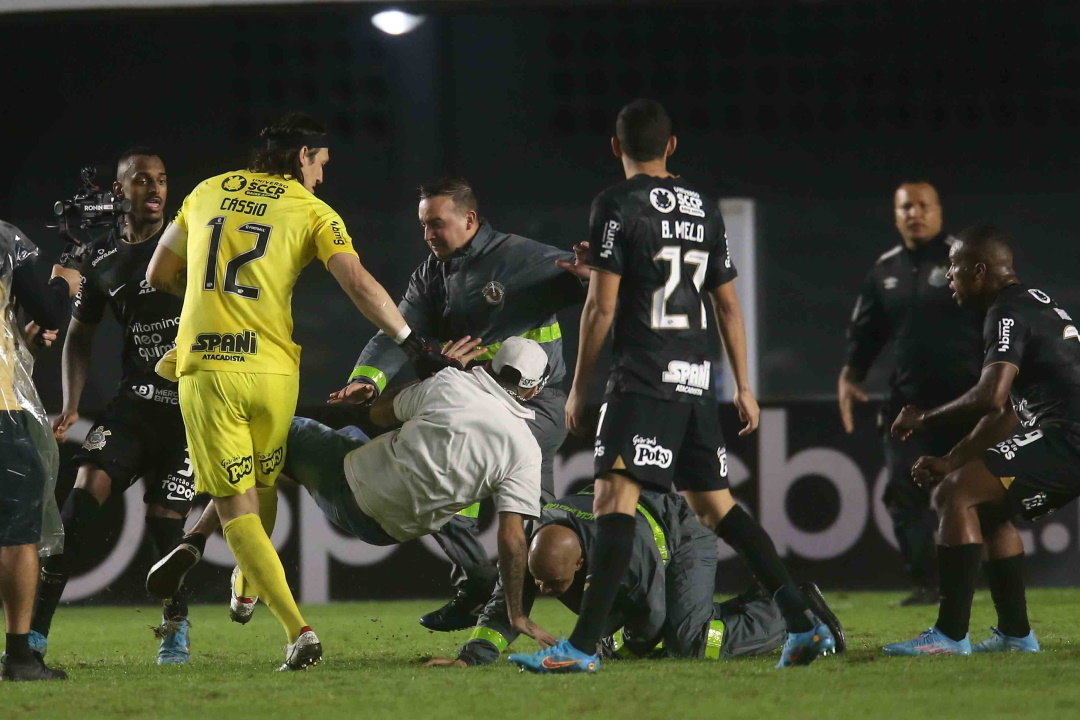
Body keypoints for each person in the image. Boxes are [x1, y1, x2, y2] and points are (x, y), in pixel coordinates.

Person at [509, 99, 834, 675]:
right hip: (695, 378)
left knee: (614, 499)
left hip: (642, 376)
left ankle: (582, 648)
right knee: (715, 506)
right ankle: (802, 621)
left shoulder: (615, 202)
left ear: (616, 147)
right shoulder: (704, 207)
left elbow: (601, 307)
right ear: (672, 146)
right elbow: (726, 304)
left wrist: (582, 387)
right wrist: (745, 387)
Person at [145, 112, 452, 671]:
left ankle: (296, 628)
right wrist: (412, 343)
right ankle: (244, 583)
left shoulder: (207, 191)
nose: (322, 176)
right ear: (303, 157)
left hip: (209, 370)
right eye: (322, 164)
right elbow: (357, 281)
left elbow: (158, 275)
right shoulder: (313, 212)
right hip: (274, 373)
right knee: (261, 484)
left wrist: (208, 300)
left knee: (233, 502)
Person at [147, 337, 556, 650]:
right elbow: (513, 538)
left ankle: (211, 551)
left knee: (260, 437)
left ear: (490, 362)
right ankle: (241, 573)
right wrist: (516, 613)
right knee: (345, 439)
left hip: (351, 486)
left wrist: (434, 374)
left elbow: (379, 413)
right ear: (534, 391)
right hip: (387, 532)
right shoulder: (526, 449)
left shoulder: (452, 385)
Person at [328, 177, 589, 631]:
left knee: (450, 465)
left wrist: (592, 277)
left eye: (436, 224)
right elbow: (396, 328)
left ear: (469, 220)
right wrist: (366, 380)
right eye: (423, 225)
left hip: (535, 404)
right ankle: (588, 615)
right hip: (478, 403)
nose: (428, 234)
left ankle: (484, 589)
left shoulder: (518, 256)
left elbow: (593, 289)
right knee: (537, 528)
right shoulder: (433, 274)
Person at [28, 149, 196, 665]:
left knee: (167, 525)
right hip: (136, 406)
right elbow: (79, 334)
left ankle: (175, 628)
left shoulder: (193, 242)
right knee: (79, 504)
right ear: (120, 191)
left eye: (163, 180)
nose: (156, 190)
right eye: (143, 181)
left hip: (192, 411)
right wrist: (72, 404)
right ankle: (32, 636)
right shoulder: (100, 260)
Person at [884, 225, 1080, 656]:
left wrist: (923, 417)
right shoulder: (1033, 303)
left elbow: (989, 394)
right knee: (988, 508)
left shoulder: (1005, 312)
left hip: (1068, 440)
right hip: (1064, 436)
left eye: (954, 268)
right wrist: (952, 459)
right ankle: (1015, 635)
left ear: (978, 271)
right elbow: (1005, 411)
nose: (948, 277)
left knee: (953, 497)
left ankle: (949, 636)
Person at [425, 488, 845, 668]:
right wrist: (471, 656)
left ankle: (801, 614)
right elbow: (505, 604)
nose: (544, 593)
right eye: (540, 583)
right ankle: (762, 602)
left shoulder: (622, 557)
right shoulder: (536, 545)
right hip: (642, 538)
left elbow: (650, 621)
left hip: (680, 535)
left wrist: (610, 646)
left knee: (689, 641)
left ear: (580, 563)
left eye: (554, 585)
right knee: (683, 627)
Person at [838, 181, 984, 606]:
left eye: (923, 206)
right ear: (895, 214)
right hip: (909, 407)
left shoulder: (967, 258)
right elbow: (864, 334)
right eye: (906, 207)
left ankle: (977, 578)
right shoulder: (884, 271)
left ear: (939, 211)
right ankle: (929, 585)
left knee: (972, 493)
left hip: (968, 403)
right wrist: (850, 376)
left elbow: (1000, 319)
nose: (914, 213)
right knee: (904, 491)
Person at [1, 219, 77, 681]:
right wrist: (67, 278)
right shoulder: (4, 239)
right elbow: (48, 311)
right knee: (17, 532)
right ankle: (20, 656)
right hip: (0, 411)